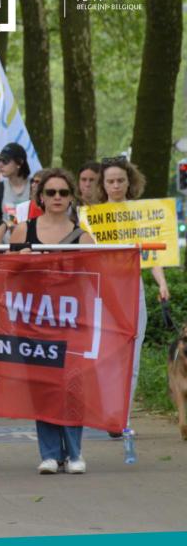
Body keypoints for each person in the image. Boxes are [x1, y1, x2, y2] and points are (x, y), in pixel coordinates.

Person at [10, 168, 94, 475]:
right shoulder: (22, 231)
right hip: (33, 321)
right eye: (51, 192)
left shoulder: (83, 237)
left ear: (71, 197)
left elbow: (92, 280)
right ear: (40, 197)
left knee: (72, 386)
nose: (57, 198)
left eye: (63, 192)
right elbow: (8, 274)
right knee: (43, 386)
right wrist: (23, 261)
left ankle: (74, 453)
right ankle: (48, 453)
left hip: (71, 321)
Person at [97, 156, 169, 437]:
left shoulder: (142, 214)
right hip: (102, 291)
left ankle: (121, 418)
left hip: (132, 288)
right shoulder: (93, 217)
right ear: (103, 185)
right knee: (106, 355)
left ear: (130, 182)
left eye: (120, 180)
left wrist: (161, 282)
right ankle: (106, 410)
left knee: (132, 353)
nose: (116, 186)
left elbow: (151, 253)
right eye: (110, 181)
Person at [0, 143, 31, 228]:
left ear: (20, 162)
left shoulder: (35, 186)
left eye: (5, 161)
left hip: (31, 240)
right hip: (6, 241)